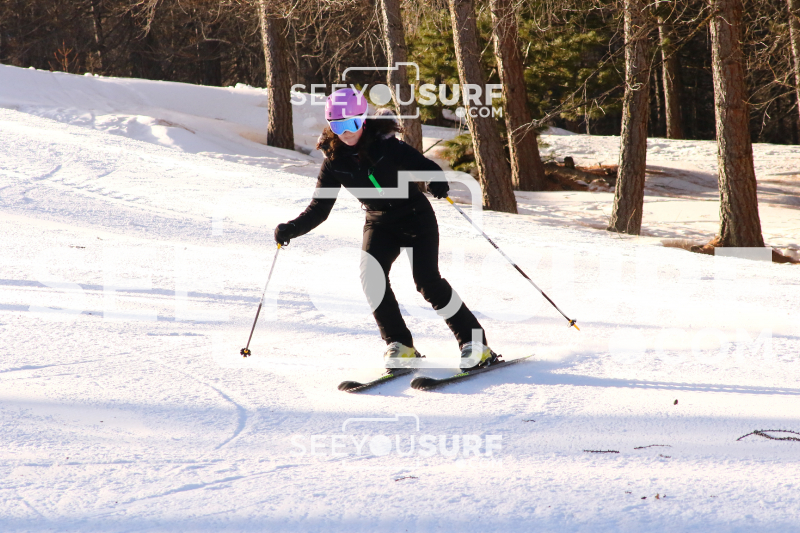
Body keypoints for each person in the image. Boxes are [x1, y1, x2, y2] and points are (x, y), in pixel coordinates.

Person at [274, 87, 497, 371]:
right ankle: (400, 345)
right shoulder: (333, 162)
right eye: (338, 126)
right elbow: (320, 208)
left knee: (427, 282)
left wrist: (435, 180)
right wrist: (292, 228)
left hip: (415, 216)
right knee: (372, 279)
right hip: (379, 222)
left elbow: (425, 166)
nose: (346, 132)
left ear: (363, 119)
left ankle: (475, 344)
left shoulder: (387, 146)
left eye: (351, 123)